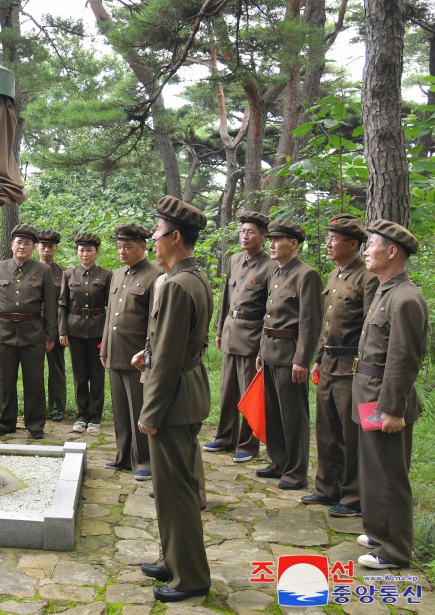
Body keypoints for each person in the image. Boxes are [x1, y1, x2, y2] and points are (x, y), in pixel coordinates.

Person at [134, 195, 213, 603]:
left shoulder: (179, 284)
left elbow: (168, 359)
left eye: (158, 232)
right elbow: (171, 346)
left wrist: (150, 412)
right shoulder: (190, 277)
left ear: (175, 236)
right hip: (183, 391)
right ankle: (173, 560)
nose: (153, 237)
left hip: (173, 400)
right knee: (167, 488)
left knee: (178, 491)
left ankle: (191, 577)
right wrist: (146, 354)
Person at [353, 220, 427, 570]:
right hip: (370, 394)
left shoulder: (406, 297)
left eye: (372, 245)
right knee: (373, 469)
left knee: (388, 474)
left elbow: (403, 359)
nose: (366, 250)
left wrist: (393, 410)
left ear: (392, 251)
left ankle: (395, 550)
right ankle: (379, 531)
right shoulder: (385, 289)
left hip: (385, 399)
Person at [302, 214, 377, 518]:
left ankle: (353, 496)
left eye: (335, 240)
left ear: (354, 244)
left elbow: (370, 327)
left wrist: (362, 366)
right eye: (329, 238)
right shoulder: (335, 275)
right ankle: (326, 487)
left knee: (349, 431)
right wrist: (318, 358)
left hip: (351, 365)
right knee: (326, 429)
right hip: (330, 361)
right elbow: (326, 325)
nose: (328, 244)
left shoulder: (367, 277)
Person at [255, 220, 324, 490]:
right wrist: (261, 350)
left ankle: (296, 472)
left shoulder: (306, 275)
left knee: (293, 416)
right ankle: (279, 461)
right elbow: (268, 315)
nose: (271, 244)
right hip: (271, 351)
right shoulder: (276, 272)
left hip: (290, 354)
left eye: (277, 240)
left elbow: (310, 322)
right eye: (270, 239)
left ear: (293, 243)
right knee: (273, 412)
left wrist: (302, 359)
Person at [204, 211, 273, 463]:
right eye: (242, 231)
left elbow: (270, 308)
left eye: (250, 232)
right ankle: (224, 437)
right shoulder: (234, 260)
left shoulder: (270, 266)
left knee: (247, 392)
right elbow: (225, 297)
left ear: (263, 237)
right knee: (227, 389)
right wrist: (220, 328)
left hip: (252, 335)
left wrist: (263, 344)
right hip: (231, 332)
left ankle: (247, 444)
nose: (244, 236)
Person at [100, 223, 161, 480]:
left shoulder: (155, 275)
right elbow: (110, 313)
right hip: (115, 352)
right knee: (120, 409)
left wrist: (148, 353)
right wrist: (104, 344)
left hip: (137, 356)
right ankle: (123, 455)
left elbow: (153, 320)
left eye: (128, 246)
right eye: (119, 246)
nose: (122, 251)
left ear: (143, 247)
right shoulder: (117, 274)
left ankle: (144, 460)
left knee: (139, 407)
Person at [0, 224, 58, 439]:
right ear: (11, 245)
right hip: (3, 334)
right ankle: (6, 422)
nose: (23, 246)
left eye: (28, 243)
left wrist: (50, 335)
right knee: (5, 382)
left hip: (33, 334)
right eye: (19, 242)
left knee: (34, 381)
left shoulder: (43, 271)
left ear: (34, 247)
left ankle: (35, 424)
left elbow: (50, 306)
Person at [58, 232, 111, 436]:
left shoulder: (106, 275)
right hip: (75, 330)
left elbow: (110, 305)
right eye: (81, 250)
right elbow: (62, 304)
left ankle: (95, 416)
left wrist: (108, 334)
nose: (85, 254)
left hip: (98, 330)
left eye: (89, 250)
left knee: (97, 374)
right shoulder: (69, 275)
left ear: (96, 252)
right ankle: (81, 415)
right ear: (77, 252)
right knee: (80, 375)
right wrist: (63, 331)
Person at [37, 229, 67, 421]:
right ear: (37, 248)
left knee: (56, 369)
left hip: (55, 328)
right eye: (43, 246)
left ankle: (57, 407)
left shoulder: (63, 273)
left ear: (55, 249)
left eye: (50, 247)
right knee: (34, 369)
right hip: (32, 328)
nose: (47, 250)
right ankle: (37, 407)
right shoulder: (31, 269)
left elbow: (65, 303)